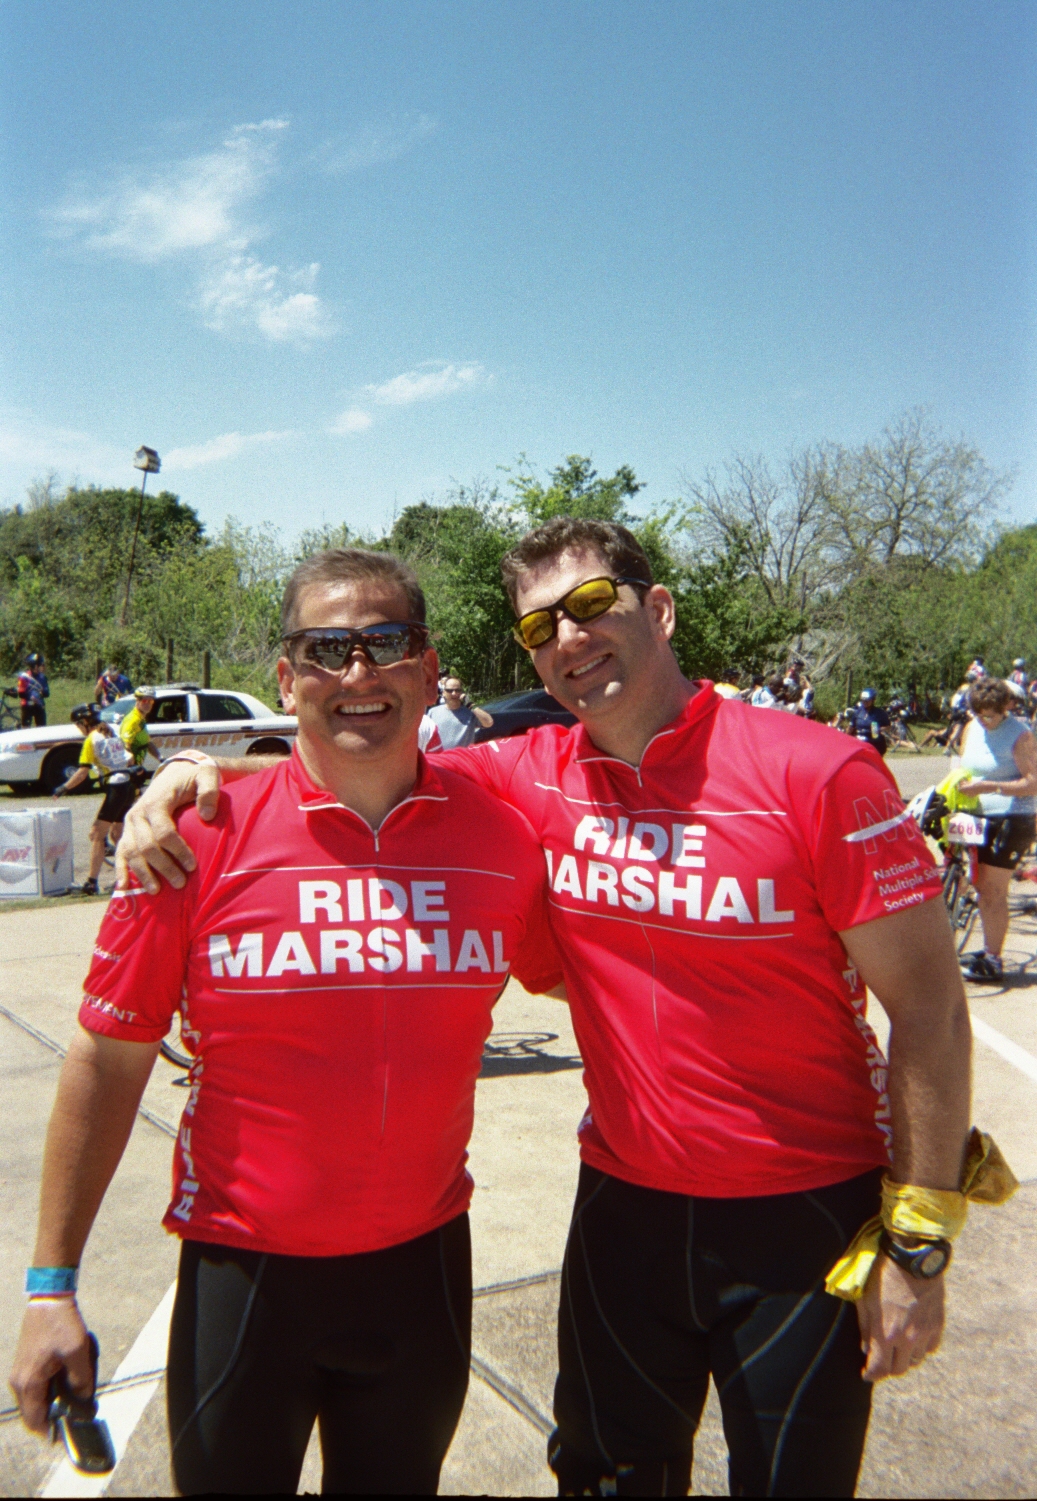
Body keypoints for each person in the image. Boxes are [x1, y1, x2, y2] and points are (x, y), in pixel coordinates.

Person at [118, 519, 972, 1499]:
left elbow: (930, 1010)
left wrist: (917, 1241)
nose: (567, 637)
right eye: (537, 627)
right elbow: (355, 753)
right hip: (625, 1208)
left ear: (658, 609)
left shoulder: (819, 771)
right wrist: (192, 776)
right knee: (600, 1479)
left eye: (592, 604)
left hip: (803, 1213)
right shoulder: (528, 775)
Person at [10, 549, 562, 1496]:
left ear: (428, 667)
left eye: (387, 642)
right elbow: (107, 1057)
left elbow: (610, 976)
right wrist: (49, 1286)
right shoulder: (194, 836)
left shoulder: (504, 835)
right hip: (246, 1278)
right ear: (285, 675)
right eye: (326, 649)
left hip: (423, 1273)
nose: (358, 672)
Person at [955, 676, 1037, 983]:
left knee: (992, 890)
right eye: (978, 714)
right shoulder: (971, 727)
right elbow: (962, 765)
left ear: (1006, 708)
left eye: (990, 716)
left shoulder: (1020, 734)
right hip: (973, 814)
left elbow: (1033, 783)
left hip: (1011, 817)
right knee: (974, 882)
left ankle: (993, 958)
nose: (984, 721)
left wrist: (990, 786)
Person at [52, 705, 138, 895]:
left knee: (96, 834)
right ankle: (128, 877)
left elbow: (82, 772)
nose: (78, 729)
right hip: (128, 785)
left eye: (78, 725)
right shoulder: (110, 732)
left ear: (84, 722)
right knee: (118, 835)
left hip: (116, 788)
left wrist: (64, 787)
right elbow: (130, 759)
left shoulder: (92, 739)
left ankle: (91, 883)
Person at [425, 676, 493, 749]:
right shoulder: (433, 712)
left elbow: (489, 723)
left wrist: (471, 705)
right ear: (444, 693)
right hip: (440, 756)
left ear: (461, 693)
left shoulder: (470, 713)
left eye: (457, 690)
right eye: (450, 690)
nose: (454, 693)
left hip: (463, 755)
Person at [119, 686, 160, 769]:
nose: (148, 704)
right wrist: (133, 768)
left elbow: (147, 743)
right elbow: (125, 746)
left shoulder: (141, 718)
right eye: (144, 701)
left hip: (138, 765)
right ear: (137, 700)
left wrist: (161, 758)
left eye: (151, 701)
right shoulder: (133, 720)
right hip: (129, 769)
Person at [845, 688, 890, 756]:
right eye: (863, 700)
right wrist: (846, 738)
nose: (865, 702)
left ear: (873, 700)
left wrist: (879, 729)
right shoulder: (858, 712)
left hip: (874, 742)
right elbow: (851, 727)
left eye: (867, 700)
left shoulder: (880, 713)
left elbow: (888, 726)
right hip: (860, 741)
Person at [16, 654, 49, 727]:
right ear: (35, 666)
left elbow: (47, 693)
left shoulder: (43, 677)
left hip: (39, 706)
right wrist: (30, 697)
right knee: (26, 728)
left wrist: (42, 693)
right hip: (27, 706)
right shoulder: (24, 677)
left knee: (42, 729)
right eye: (41, 665)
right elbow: (21, 693)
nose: (43, 667)